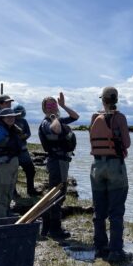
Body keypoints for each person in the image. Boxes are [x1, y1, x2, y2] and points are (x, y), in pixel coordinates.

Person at [89, 86, 131, 262]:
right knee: (116, 211)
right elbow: (127, 143)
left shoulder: (94, 117)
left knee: (99, 211)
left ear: (103, 100)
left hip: (97, 166)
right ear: (116, 100)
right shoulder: (119, 118)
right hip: (115, 167)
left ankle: (100, 248)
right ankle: (116, 251)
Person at [38, 92, 79, 239]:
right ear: (44, 109)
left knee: (57, 194)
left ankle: (48, 227)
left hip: (62, 161)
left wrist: (63, 106)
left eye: (53, 104)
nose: (52, 107)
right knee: (57, 194)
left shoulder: (57, 119)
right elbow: (55, 129)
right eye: (48, 105)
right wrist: (54, 115)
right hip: (56, 162)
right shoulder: (47, 122)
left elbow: (75, 117)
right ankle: (54, 229)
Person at [12, 104, 40, 197]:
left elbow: (28, 133)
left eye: (20, 113)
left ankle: (30, 190)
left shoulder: (24, 121)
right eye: (17, 113)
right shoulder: (10, 120)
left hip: (24, 151)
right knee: (13, 172)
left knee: (31, 170)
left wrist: (24, 136)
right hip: (13, 153)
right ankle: (13, 192)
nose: (19, 115)